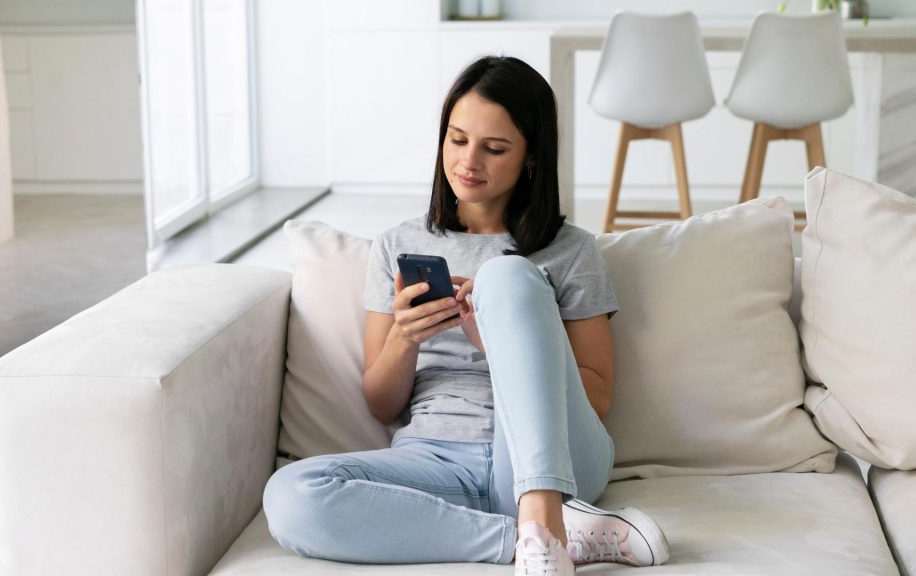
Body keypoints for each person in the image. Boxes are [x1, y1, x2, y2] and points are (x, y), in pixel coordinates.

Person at [263, 55, 669, 575]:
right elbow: (382, 404)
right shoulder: (396, 246)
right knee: (292, 495)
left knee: (506, 276)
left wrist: (497, 341)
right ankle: (547, 538)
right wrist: (404, 340)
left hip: (547, 457)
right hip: (431, 460)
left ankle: (543, 511)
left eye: (494, 148)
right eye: (457, 140)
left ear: (531, 157)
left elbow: (599, 396)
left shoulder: (572, 251)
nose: (468, 162)